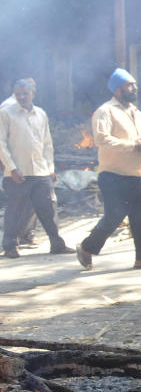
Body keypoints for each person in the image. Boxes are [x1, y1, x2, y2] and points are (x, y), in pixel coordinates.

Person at [77, 69, 141, 270]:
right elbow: (102, 139)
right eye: (130, 85)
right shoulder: (105, 111)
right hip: (115, 175)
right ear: (118, 90)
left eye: (134, 84)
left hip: (140, 172)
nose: (134, 88)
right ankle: (87, 248)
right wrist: (133, 145)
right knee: (114, 216)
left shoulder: (136, 112)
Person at [0, 78, 73, 258]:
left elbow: (47, 144)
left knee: (47, 208)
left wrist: (50, 168)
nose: (22, 97)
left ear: (33, 93)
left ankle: (57, 244)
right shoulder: (6, 113)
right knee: (15, 210)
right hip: (18, 172)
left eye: (25, 93)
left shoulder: (41, 114)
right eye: (18, 94)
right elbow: (1, 143)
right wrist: (11, 168)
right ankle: (10, 246)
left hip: (40, 171)